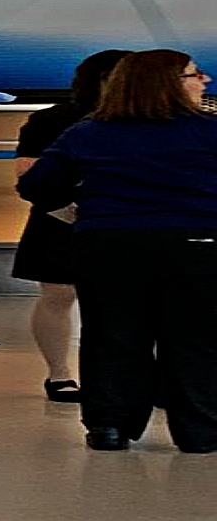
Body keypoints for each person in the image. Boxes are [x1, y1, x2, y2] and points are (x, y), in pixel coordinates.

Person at [17, 49, 217, 452]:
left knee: (111, 334)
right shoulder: (209, 131)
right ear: (168, 84)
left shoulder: (90, 131)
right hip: (197, 243)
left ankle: (109, 425)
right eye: (195, 75)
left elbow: (35, 184)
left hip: (108, 243)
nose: (205, 81)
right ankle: (199, 431)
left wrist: (75, 210)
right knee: (195, 337)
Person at [12, 49, 131, 403]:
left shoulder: (146, 119)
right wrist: (66, 208)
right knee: (59, 294)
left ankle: (125, 375)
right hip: (60, 218)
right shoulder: (52, 120)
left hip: (120, 221)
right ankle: (59, 373)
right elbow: (29, 173)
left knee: (125, 300)